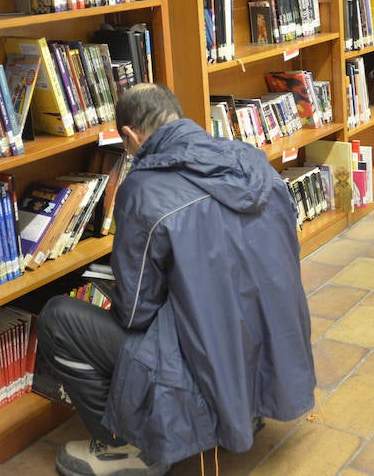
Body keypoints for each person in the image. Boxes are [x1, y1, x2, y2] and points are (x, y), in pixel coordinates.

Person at [36, 83, 316, 476]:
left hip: (205, 356)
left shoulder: (143, 188)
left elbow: (137, 312)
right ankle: (241, 407)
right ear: (177, 114)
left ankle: (130, 446)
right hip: (270, 345)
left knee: (58, 318)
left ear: (131, 136)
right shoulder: (251, 160)